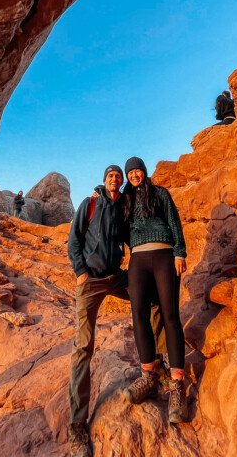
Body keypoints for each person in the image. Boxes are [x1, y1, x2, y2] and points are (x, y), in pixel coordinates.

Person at [67, 165, 165, 457]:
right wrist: (81, 272)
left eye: (118, 177)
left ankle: (156, 367)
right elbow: (73, 240)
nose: (115, 179)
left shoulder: (123, 207)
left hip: (116, 276)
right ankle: (76, 425)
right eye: (111, 176)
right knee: (83, 346)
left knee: (154, 299)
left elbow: (133, 235)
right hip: (91, 282)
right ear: (104, 180)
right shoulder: (91, 203)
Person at [121, 156, 189, 424]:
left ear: (143, 171)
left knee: (170, 315)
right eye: (130, 172)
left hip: (163, 256)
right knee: (138, 314)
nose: (134, 175)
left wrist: (180, 252)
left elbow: (174, 222)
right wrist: (100, 191)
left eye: (137, 170)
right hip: (137, 259)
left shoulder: (160, 193)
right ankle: (149, 374)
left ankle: (177, 385)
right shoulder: (126, 200)